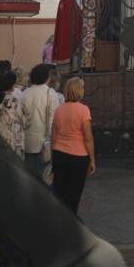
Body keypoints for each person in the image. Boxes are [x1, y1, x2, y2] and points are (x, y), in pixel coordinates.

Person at [51, 76, 95, 214]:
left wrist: (53, 156)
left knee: (60, 192)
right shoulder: (84, 110)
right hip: (78, 157)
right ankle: (71, 221)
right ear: (79, 91)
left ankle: (59, 219)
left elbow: (53, 135)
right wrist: (92, 159)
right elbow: (88, 138)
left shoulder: (59, 110)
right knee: (74, 194)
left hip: (59, 153)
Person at [22, 63, 59, 179]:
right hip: (45, 143)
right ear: (46, 77)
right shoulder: (50, 93)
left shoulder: (25, 93)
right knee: (44, 177)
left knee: (28, 177)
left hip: (26, 141)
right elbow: (54, 118)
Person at [52, 0, 83, 64]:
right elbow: (76, 16)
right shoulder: (69, 1)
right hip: (68, 31)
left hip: (64, 29)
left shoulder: (64, 0)